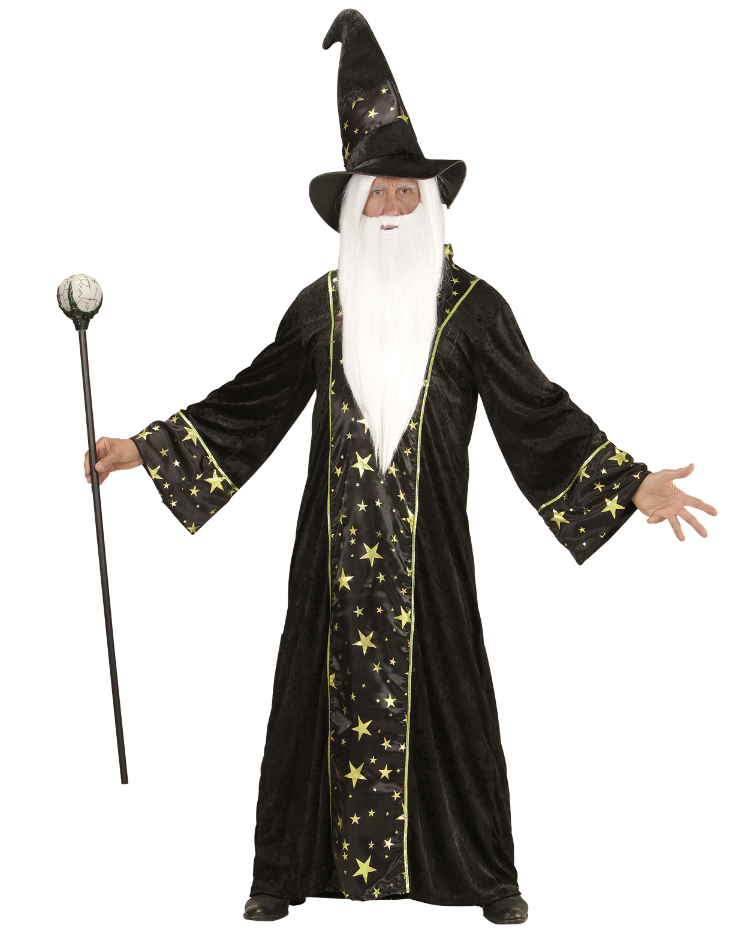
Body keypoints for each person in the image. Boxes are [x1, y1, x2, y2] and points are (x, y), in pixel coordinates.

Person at [83, 9, 716, 926]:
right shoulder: (319, 309)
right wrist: (143, 448)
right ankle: (284, 870)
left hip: (432, 566)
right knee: (308, 700)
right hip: (332, 565)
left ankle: (485, 874)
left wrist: (629, 483)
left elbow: (538, 410)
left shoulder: (474, 311)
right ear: (350, 208)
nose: (388, 209)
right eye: (373, 194)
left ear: (431, 204)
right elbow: (251, 401)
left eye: (404, 193)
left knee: (452, 697)